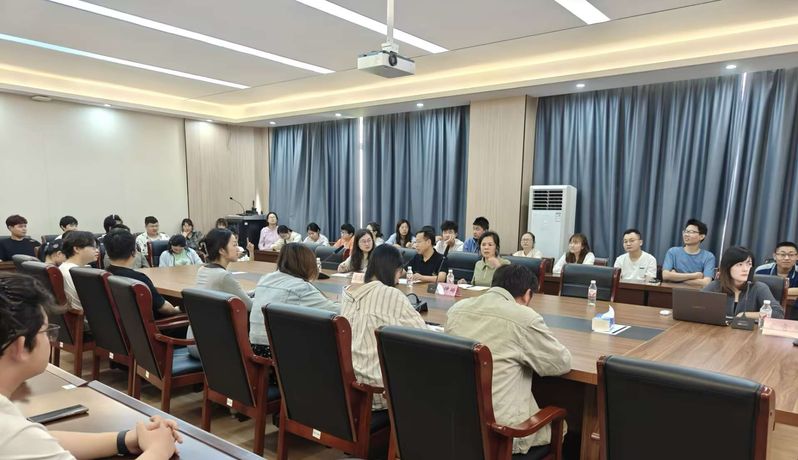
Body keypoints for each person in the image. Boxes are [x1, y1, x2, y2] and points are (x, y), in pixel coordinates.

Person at [0, 273, 182, 459]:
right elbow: (24, 440)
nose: (50, 339)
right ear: (21, 347)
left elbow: (36, 442)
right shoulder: (8, 430)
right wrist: (158, 450)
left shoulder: (14, 431)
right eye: (46, 331)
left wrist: (126, 439)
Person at [445, 265, 572, 455]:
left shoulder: (457, 309)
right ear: (527, 295)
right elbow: (561, 363)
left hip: (457, 425)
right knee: (563, 427)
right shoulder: (524, 317)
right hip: (503, 435)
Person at [340, 244, 427, 410]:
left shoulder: (347, 292)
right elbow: (423, 336)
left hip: (348, 386)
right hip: (375, 392)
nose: (399, 277)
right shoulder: (391, 294)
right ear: (392, 269)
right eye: (399, 271)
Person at [250, 244, 340, 357]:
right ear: (306, 264)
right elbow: (335, 311)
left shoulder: (265, 278)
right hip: (280, 353)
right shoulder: (301, 287)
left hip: (256, 348)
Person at [188, 229, 254, 359]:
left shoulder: (203, 269)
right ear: (222, 250)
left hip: (194, 341)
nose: (238, 248)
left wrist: (252, 293)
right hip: (211, 346)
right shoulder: (223, 276)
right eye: (234, 244)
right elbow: (250, 306)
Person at [104, 229, 181, 319]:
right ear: (133, 252)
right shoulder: (138, 279)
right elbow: (165, 309)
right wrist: (177, 310)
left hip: (120, 324)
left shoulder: (103, 275)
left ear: (107, 253)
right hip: (152, 325)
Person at [702, 246, 784, 319]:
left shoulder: (759, 288)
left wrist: (745, 315)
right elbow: (697, 306)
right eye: (740, 264)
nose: (745, 269)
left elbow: (778, 313)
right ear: (727, 267)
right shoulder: (715, 286)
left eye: (749, 264)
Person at [662, 218, 716, 286]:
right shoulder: (673, 252)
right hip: (671, 290)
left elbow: (706, 283)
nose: (686, 234)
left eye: (691, 232)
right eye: (686, 231)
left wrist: (675, 276)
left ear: (701, 236)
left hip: (694, 292)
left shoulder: (708, 257)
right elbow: (665, 276)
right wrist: (695, 275)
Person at [58, 231, 99, 312]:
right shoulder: (74, 273)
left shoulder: (64, 268)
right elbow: (83, 307)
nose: (97, 250)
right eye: (93, 247)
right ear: (76, 249)